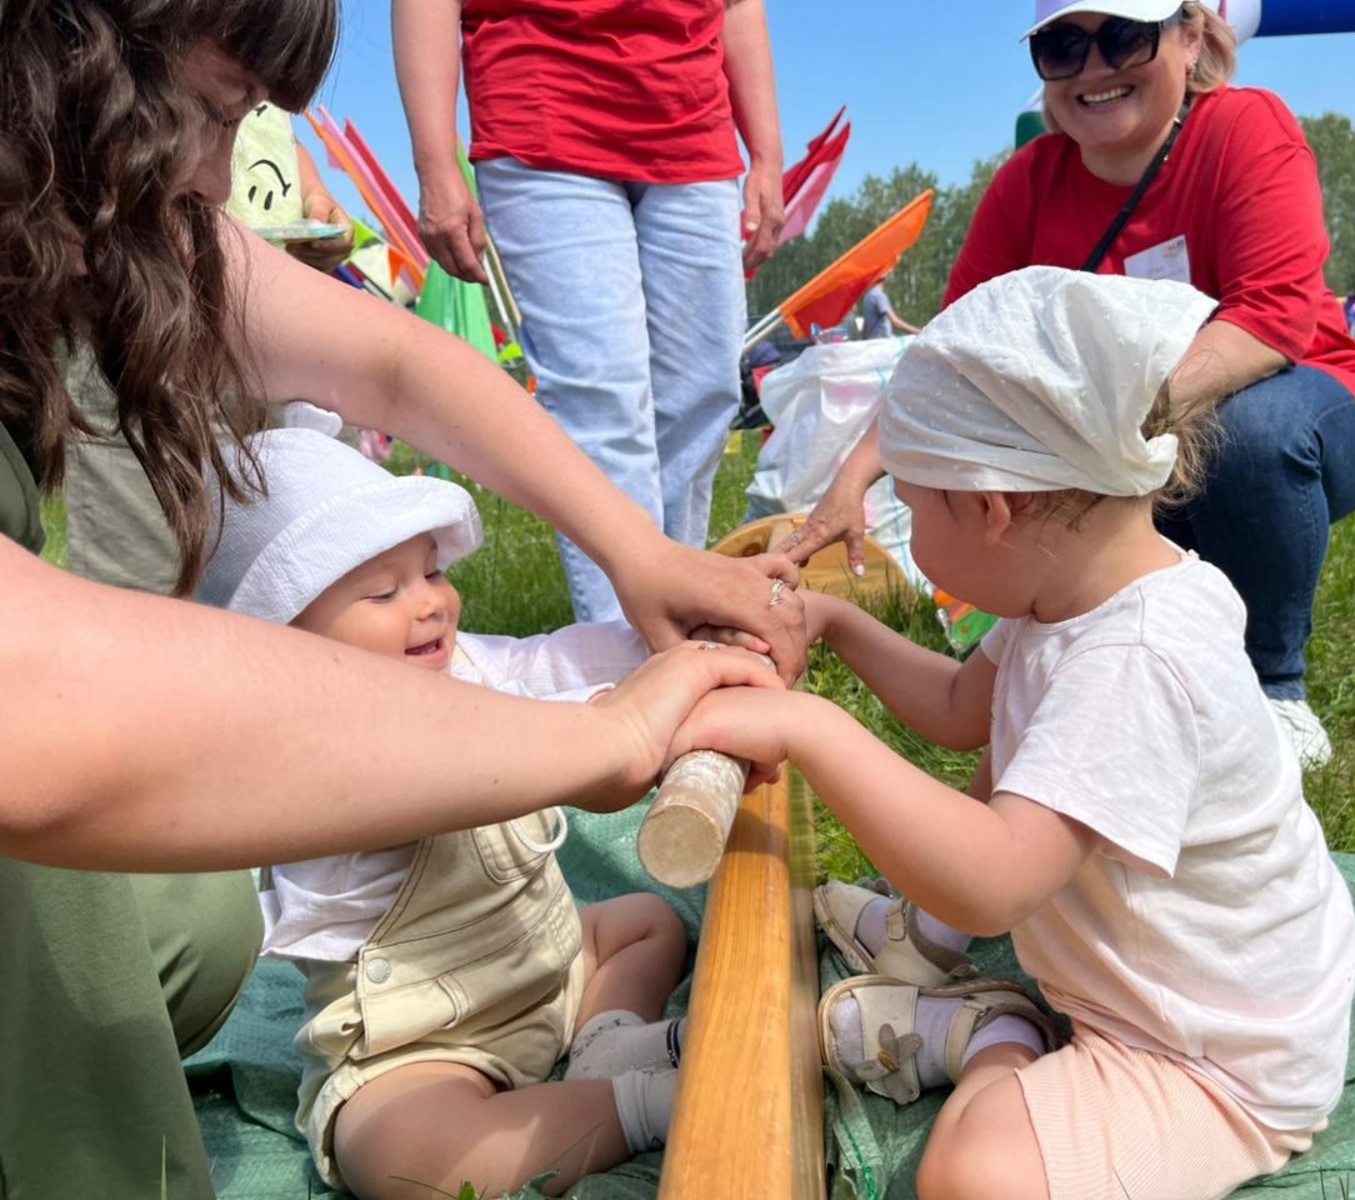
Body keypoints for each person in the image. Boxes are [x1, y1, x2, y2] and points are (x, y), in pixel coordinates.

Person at [0, 4, 796, 1196]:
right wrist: (601, 736)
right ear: (62, 57)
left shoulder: (94, 220)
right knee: (71, 913)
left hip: (522, 985)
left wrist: (638, 551)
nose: (220, 177)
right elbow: (35, 709)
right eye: (213, 113)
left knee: (195, 924)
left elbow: (389, 357)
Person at [677, 268, 1355, 1200]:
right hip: (1157, 989)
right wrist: (839, 627)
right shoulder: (1068, 592)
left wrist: (806, 726)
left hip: (1218, 1057)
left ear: (992, 509)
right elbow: (967, 708)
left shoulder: (1136, 659)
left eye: (912, 511)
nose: (910, 536)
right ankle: (939, 965)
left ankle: (992, 1035)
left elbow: (994, 881)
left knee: (971, 1175)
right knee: (1000, 766)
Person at [781, 0, 1355, 769]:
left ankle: (1275, 688)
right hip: (1127, 438)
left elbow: (1272, 320)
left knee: (1249, 438)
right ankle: (1117, 678)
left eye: (1123, 35)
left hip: (1306, 397)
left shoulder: (1246, 129)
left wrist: (1110, 429)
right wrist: (853, 483)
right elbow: (954, 359)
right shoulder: (1027, 185)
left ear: (1190, 35)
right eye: (1063, 46)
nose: (1095, 68)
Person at [201, 408, 695, 1198]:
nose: (429, 603)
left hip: (543, 965)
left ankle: (604, 1043)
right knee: (394, 1154)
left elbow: (548, 662)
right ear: (288, 640)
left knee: (645, 923)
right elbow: (445, 767)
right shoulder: (307, 758)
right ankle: (646, 1104)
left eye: (432, 572)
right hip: (428, 1041)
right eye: (383, 590)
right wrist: (596, 733)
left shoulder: (457, 664)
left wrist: (670, 651)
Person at [395, 0, 785, 624]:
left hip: (692, 119)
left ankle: (678, 616)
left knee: (702, 393)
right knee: (604, 403)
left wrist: (766, 153)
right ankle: (620, 651)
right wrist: (434, 160)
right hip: (543, 107)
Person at [64, 100, 354, 594]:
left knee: (293, 551)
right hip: (140, 312)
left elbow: (269, 128)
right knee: (147, 565)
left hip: (270, 315)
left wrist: (314, 194)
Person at [861, 273, 923, 339]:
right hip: (882, 342)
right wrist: (919, 332)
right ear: (883, 276)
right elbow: (895, 322)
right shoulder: (879, 296)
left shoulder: (868, 296)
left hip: (873, 342)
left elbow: (865, 327)